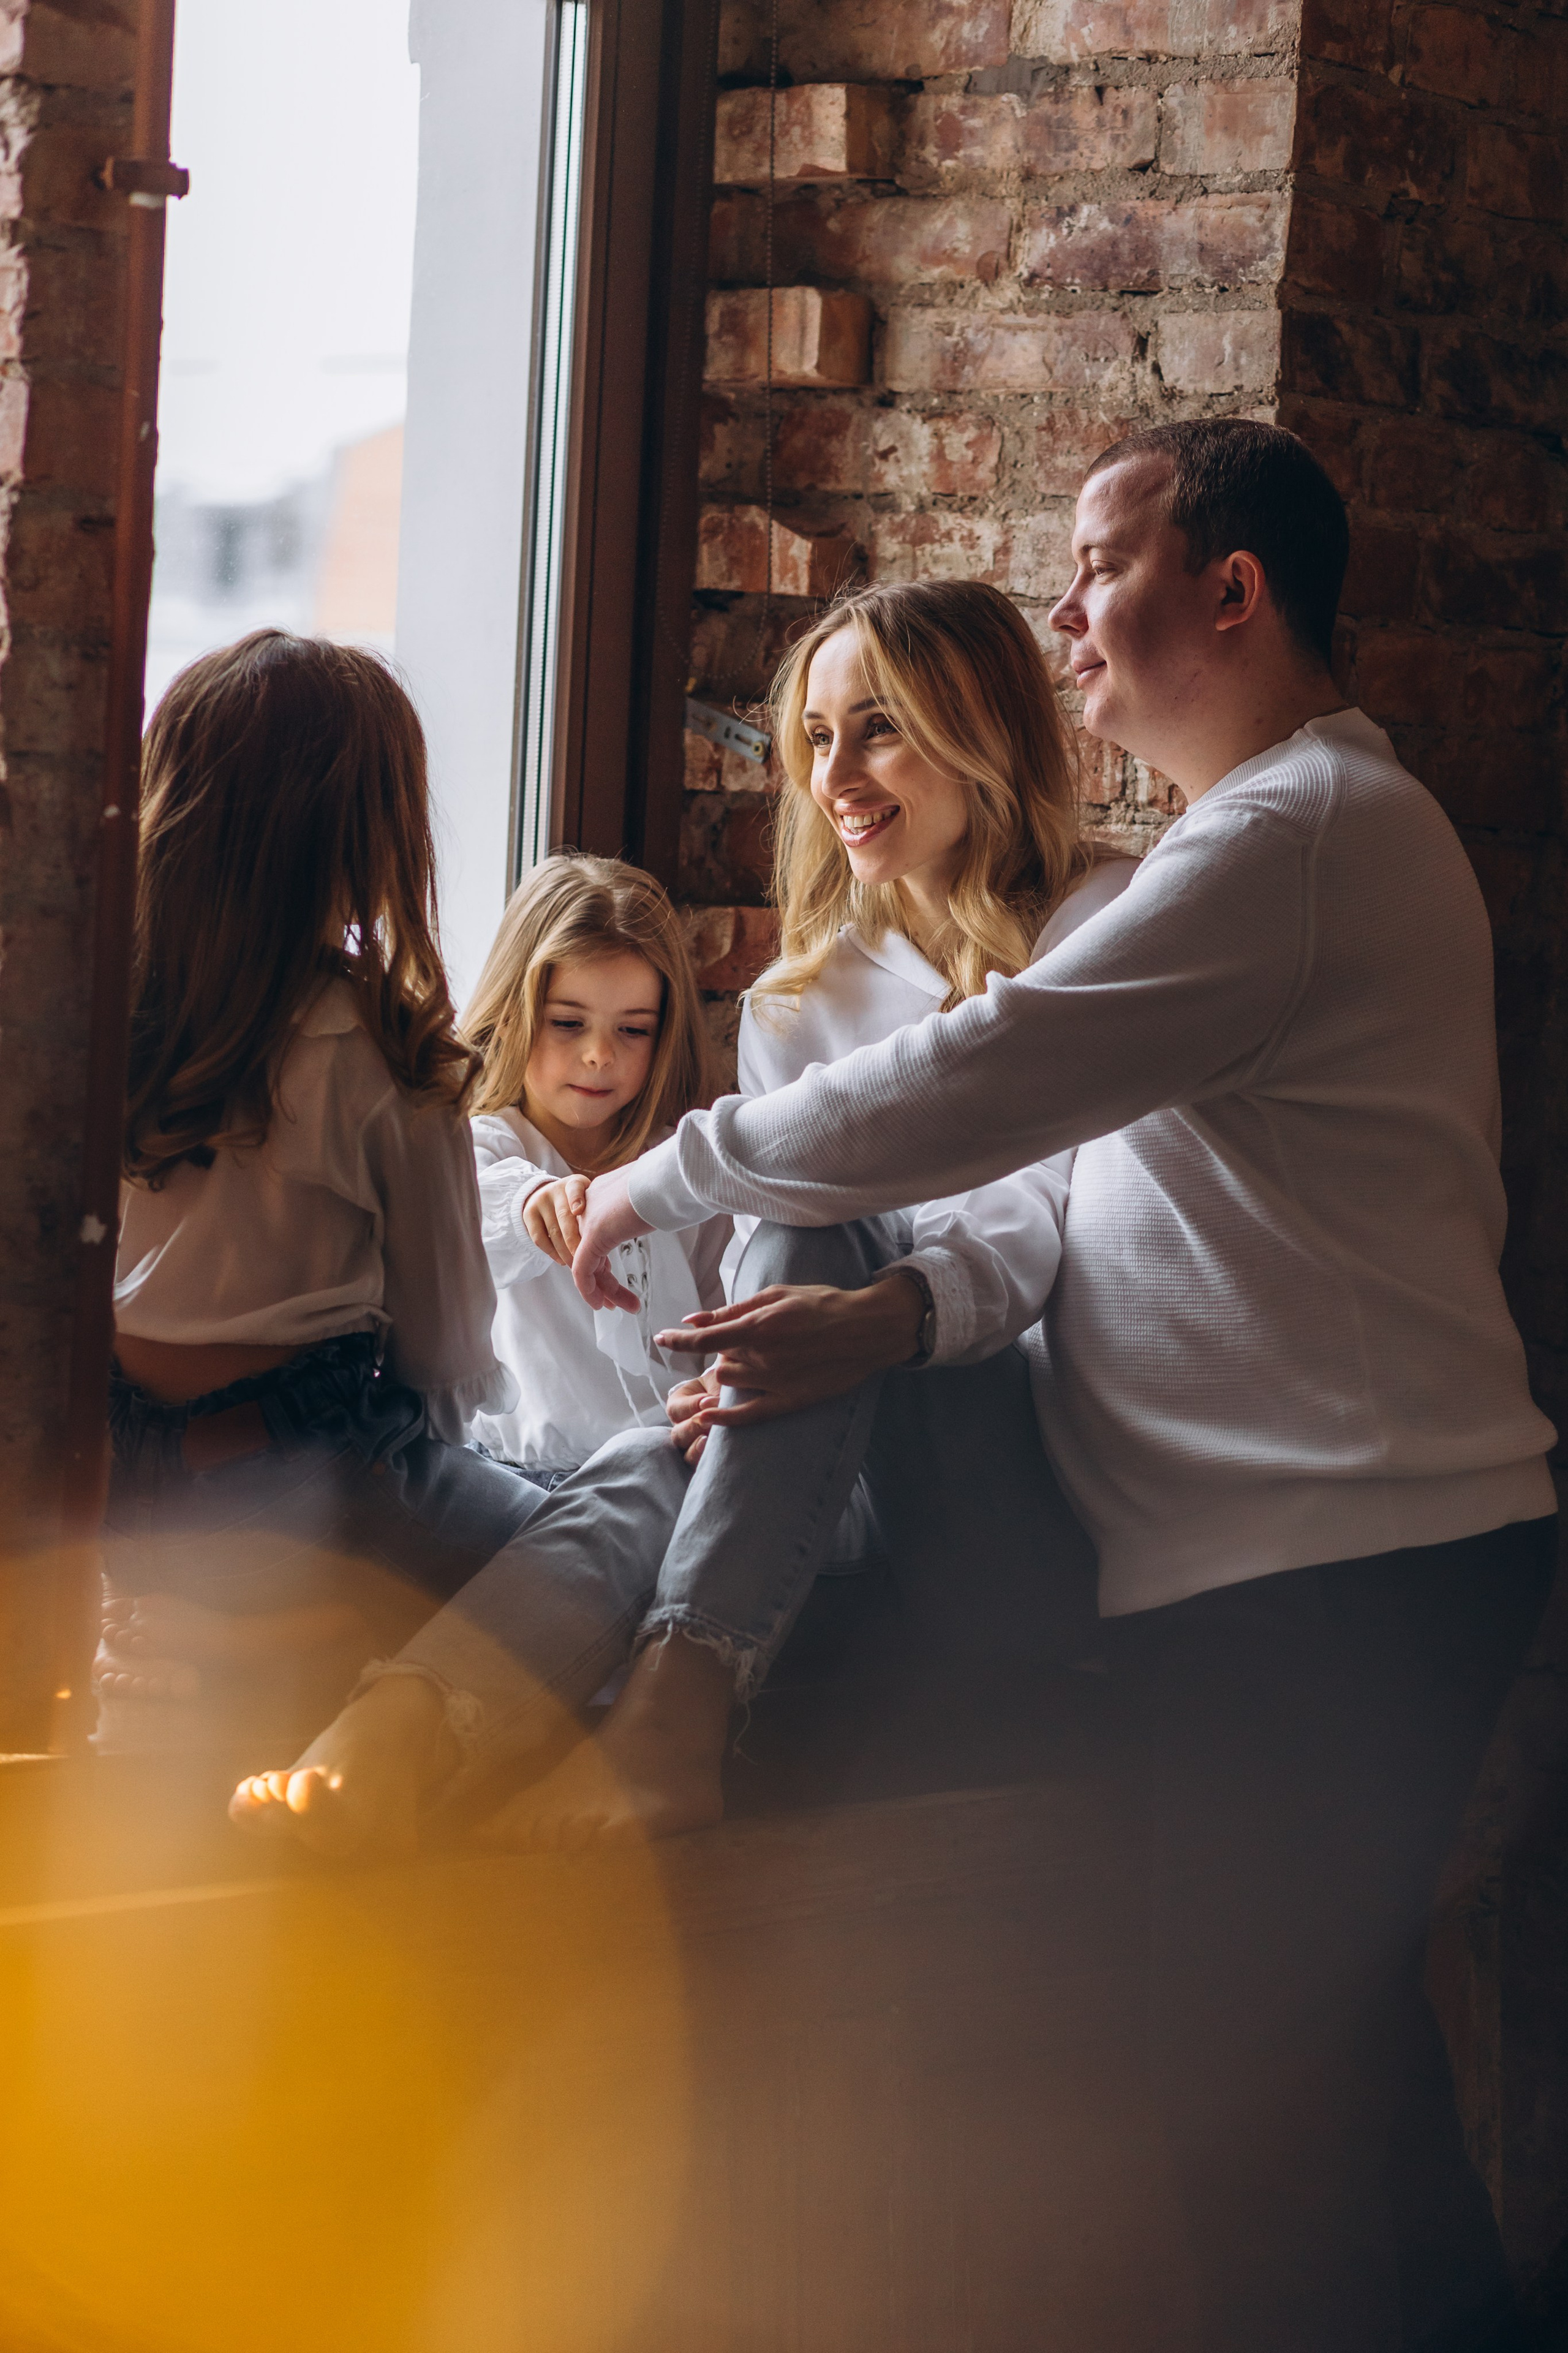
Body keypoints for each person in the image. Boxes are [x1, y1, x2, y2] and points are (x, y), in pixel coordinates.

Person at [566, 421, 1557, 2351]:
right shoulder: (1259, 841)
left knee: (1294, 2148)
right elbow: (1059, 1203)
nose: (1063, 615)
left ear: (1228, 590)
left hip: (1340, 1573)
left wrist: (659, 1170)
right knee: (1303, 2130)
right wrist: (890, 1316)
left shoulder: (1294, 836)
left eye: (1097, 564)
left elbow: (977, 1077)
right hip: (1285, 1579)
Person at [229, 578, 1128, 1848]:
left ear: (976, 727)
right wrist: (746, 1362)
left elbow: (1028, 1223)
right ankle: (433, 1721)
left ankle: (565, 1712)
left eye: (878, 727)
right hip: (824, 1475)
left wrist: (862, 1321)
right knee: (682, 1422)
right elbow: (770, 1229)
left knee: (821, 1240)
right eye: (816, 738)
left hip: (1005, 1469)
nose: (836, 777)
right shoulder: (796, 1004)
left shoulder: (1100, 927)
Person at [96, 632, 545, 1743]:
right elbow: (444, 1350)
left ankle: (188, 1625)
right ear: (363, 839)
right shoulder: (380, 1048)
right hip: (305, 1477)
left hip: (117, 1475)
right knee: (582, 1535)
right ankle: (299, 1630)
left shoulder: (96, 1016)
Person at [460, 852, 730, 1489]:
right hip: (514, 1474)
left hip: (666, 1467)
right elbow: (462, 1213)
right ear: (511, 1013)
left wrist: (716, 1388)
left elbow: (723, 1305)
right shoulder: (486, 1143)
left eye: (633, 1030)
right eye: (567, 1023)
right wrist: (535, 1203)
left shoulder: (680, 1161)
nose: (598, 1054)